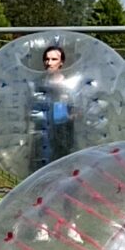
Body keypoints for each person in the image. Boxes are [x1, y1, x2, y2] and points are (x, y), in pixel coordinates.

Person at [27, 41, 76, 173]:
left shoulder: (69, 86)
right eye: (47, 59)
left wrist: (69, 117)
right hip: (42, 135)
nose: (49, 62)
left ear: (61, 62)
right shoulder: (38, 85)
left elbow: (77, 110)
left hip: (63, 134)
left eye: (54, 59)